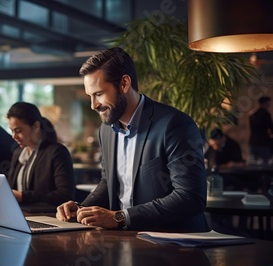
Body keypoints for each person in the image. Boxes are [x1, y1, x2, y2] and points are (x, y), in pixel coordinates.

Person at [56, 47, 209, 232]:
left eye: (99, 94)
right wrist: (82, 209)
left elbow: (190, 197)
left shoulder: (175, 125)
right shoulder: (105, 130)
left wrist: (120, 217)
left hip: (173, 245)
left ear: (124, 84)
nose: (93, 105)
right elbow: (109, 183)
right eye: (90, 96)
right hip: (124, 241)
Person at [6, 102, 75, 206]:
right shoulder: (18, 153)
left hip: (47, 216)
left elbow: (65, 195)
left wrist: (24, 196)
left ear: (36, 126)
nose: (14, 136)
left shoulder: (57, 152)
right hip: (21, 214)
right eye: (12, 131)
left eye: (18, 131)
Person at [248, 96, 273, 165]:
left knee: (253, 164)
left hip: (253, 142)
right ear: (265, 103)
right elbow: (271, 128)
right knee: (265, 165)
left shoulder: (253, 114)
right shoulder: (266, 114)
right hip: (264, 143)